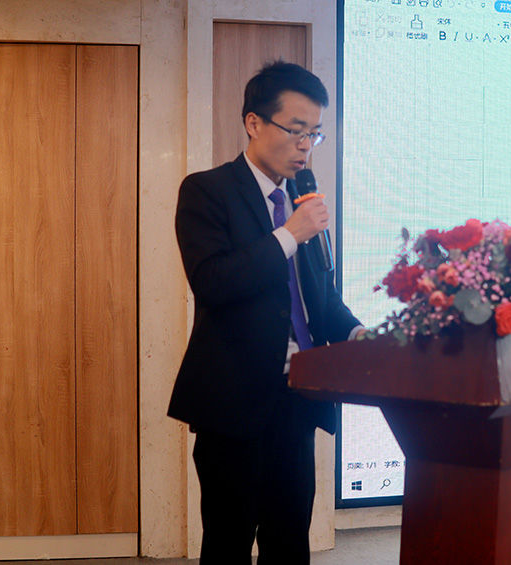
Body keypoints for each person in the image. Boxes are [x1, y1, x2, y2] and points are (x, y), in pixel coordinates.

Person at [168, 61, 362, 564]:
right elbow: (214, 282)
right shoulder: (207, 191)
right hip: (234, 402)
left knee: (290, 540)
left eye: (314, 134)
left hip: (297, 397)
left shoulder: (302, 198)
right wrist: (290, 234)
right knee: (228, 543)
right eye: (295, 130)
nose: (305, 146)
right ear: (254, 123)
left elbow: (319, 298)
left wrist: (357, 334)